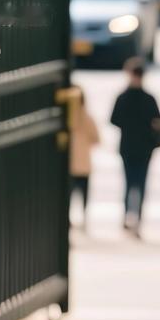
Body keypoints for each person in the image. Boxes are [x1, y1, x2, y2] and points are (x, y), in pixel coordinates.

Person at [110, 58, 160, 238]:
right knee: (138, 183)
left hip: (129, 145)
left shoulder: (123, 97)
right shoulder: (148, 99)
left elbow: (114, 119)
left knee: (131, 183)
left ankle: (130, 218)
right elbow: (158, 121)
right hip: (144, 147)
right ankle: (134, 218)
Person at [68, 85, 100, 231]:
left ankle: (68, 219)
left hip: (70, 165)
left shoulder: (67, 118)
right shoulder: (87, 118)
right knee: (84, 196)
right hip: (84, 164)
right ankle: (84, 218)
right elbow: (96, 139)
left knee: (69, 196)